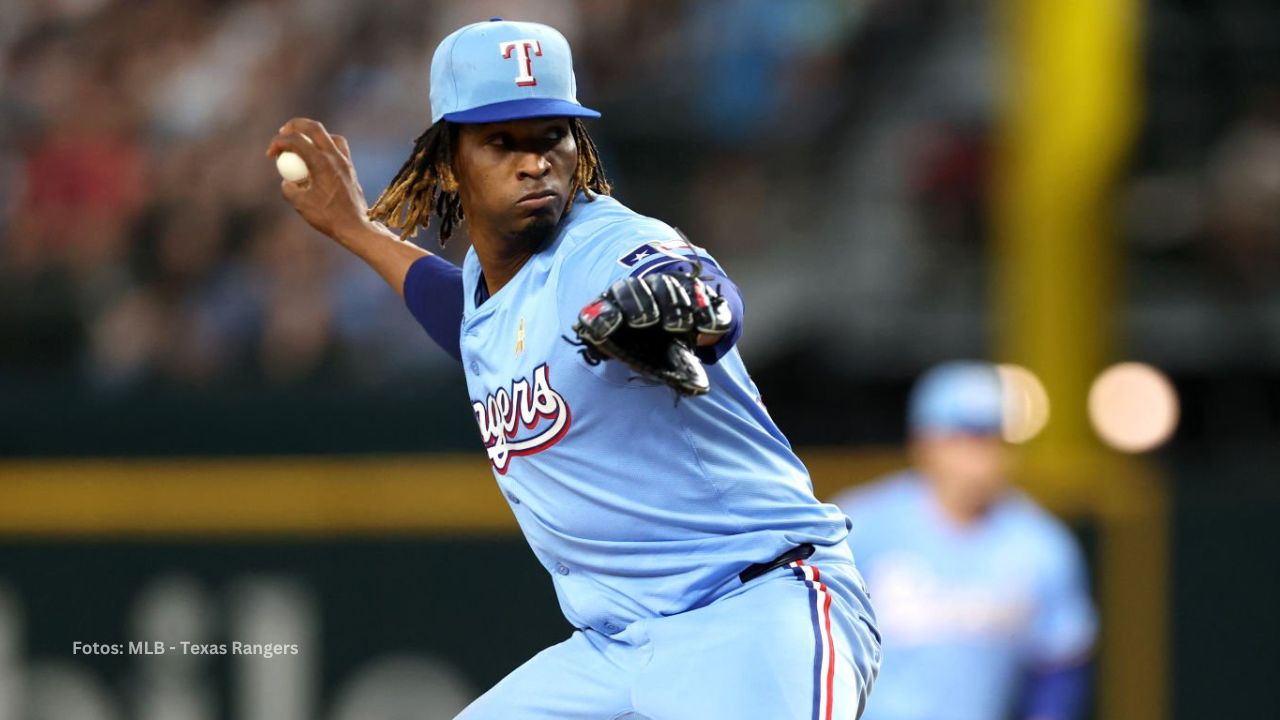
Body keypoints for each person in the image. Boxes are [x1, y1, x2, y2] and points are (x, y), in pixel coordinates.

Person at [266, 17, 880, 720]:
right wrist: (356, 229)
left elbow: (705, 295)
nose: (535, 161)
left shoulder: (608, 244)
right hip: (614, 650)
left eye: (551, 135)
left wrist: (684, 306)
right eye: (501, 142)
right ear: (447, 160)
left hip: (749, 613)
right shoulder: (484, 286)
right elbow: (467, 326)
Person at [831, 361, 1097, 720]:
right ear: (923, 444)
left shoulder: (1040, 544)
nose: (979, 460)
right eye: (963, 440)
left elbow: (1059, 667)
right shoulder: (859, 526)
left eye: (991, 440)